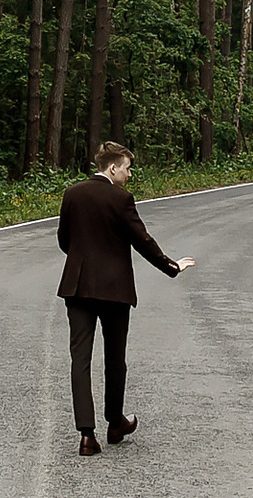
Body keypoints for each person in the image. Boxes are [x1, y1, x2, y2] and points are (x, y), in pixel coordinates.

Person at [55, 139, 195, 456]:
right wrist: (171, 266)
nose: (129, 175)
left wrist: (82, 261)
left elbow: (65, 239)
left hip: (77, 287)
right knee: (115, 358)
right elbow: (142, 240)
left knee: (80, 358)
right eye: (127, 169)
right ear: (113, 167)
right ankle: (115, 424)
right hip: (114, 289)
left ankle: (87, 435)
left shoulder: (72, 193)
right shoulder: (121, 199)